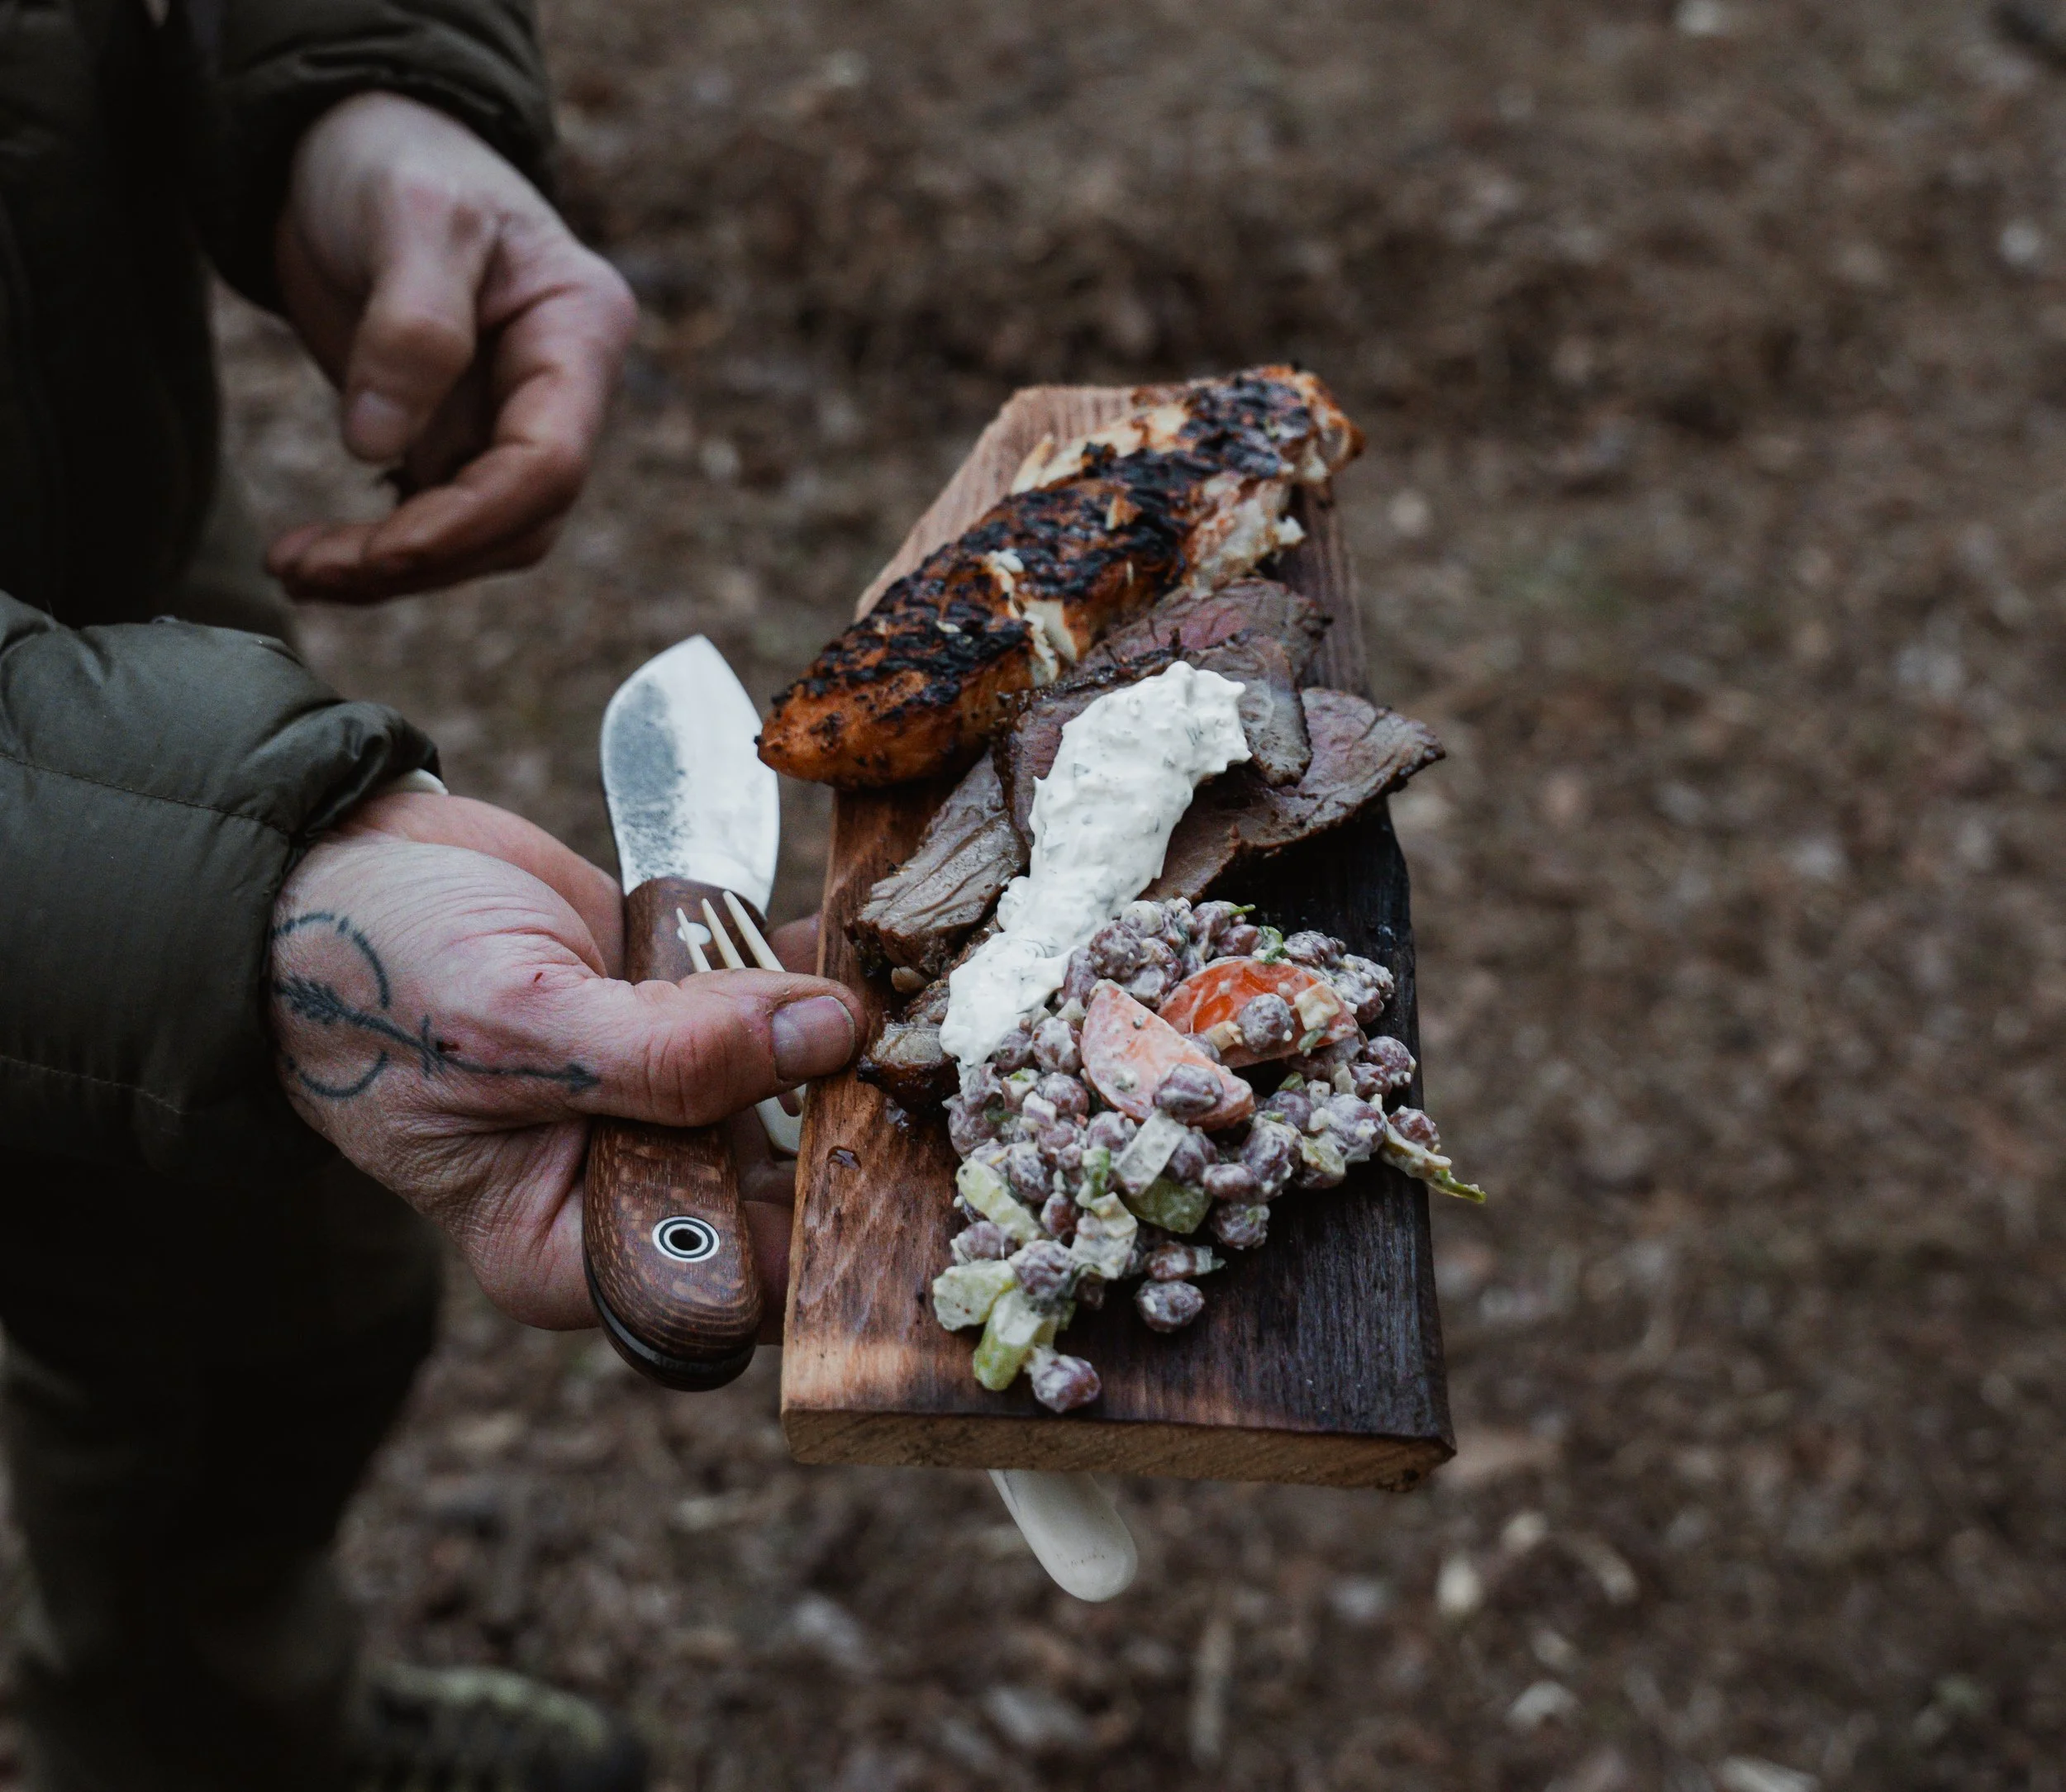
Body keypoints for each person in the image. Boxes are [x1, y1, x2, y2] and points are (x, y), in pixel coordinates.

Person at [0, 3, 864, 1787]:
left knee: (261, 1309)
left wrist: (354, 82)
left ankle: (218, 1738)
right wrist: (208, 883)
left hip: (111, 540)